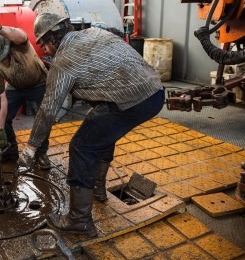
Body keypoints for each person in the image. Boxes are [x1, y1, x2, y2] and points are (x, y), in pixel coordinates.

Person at [19, 13, 164, 235]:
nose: (44, 50)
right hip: (154, 92)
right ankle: (98, 189)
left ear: (51, 38)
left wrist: (31, 148)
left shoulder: (64, 59)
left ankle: (79, 220)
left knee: (82, 146)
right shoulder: (94, 32)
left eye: (43, 45)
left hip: (131, 100)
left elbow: (48, 109)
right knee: (101, 131)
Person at [0, 21, 51, 169]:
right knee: (3, 118)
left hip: (39, 83)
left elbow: (22, 35)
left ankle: (41, 154)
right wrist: (0, 129)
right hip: (15, 87)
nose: (4, 60)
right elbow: (2, 99)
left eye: (5, 56)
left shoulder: (19, 44)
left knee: (42, 119)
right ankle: (10, 151)